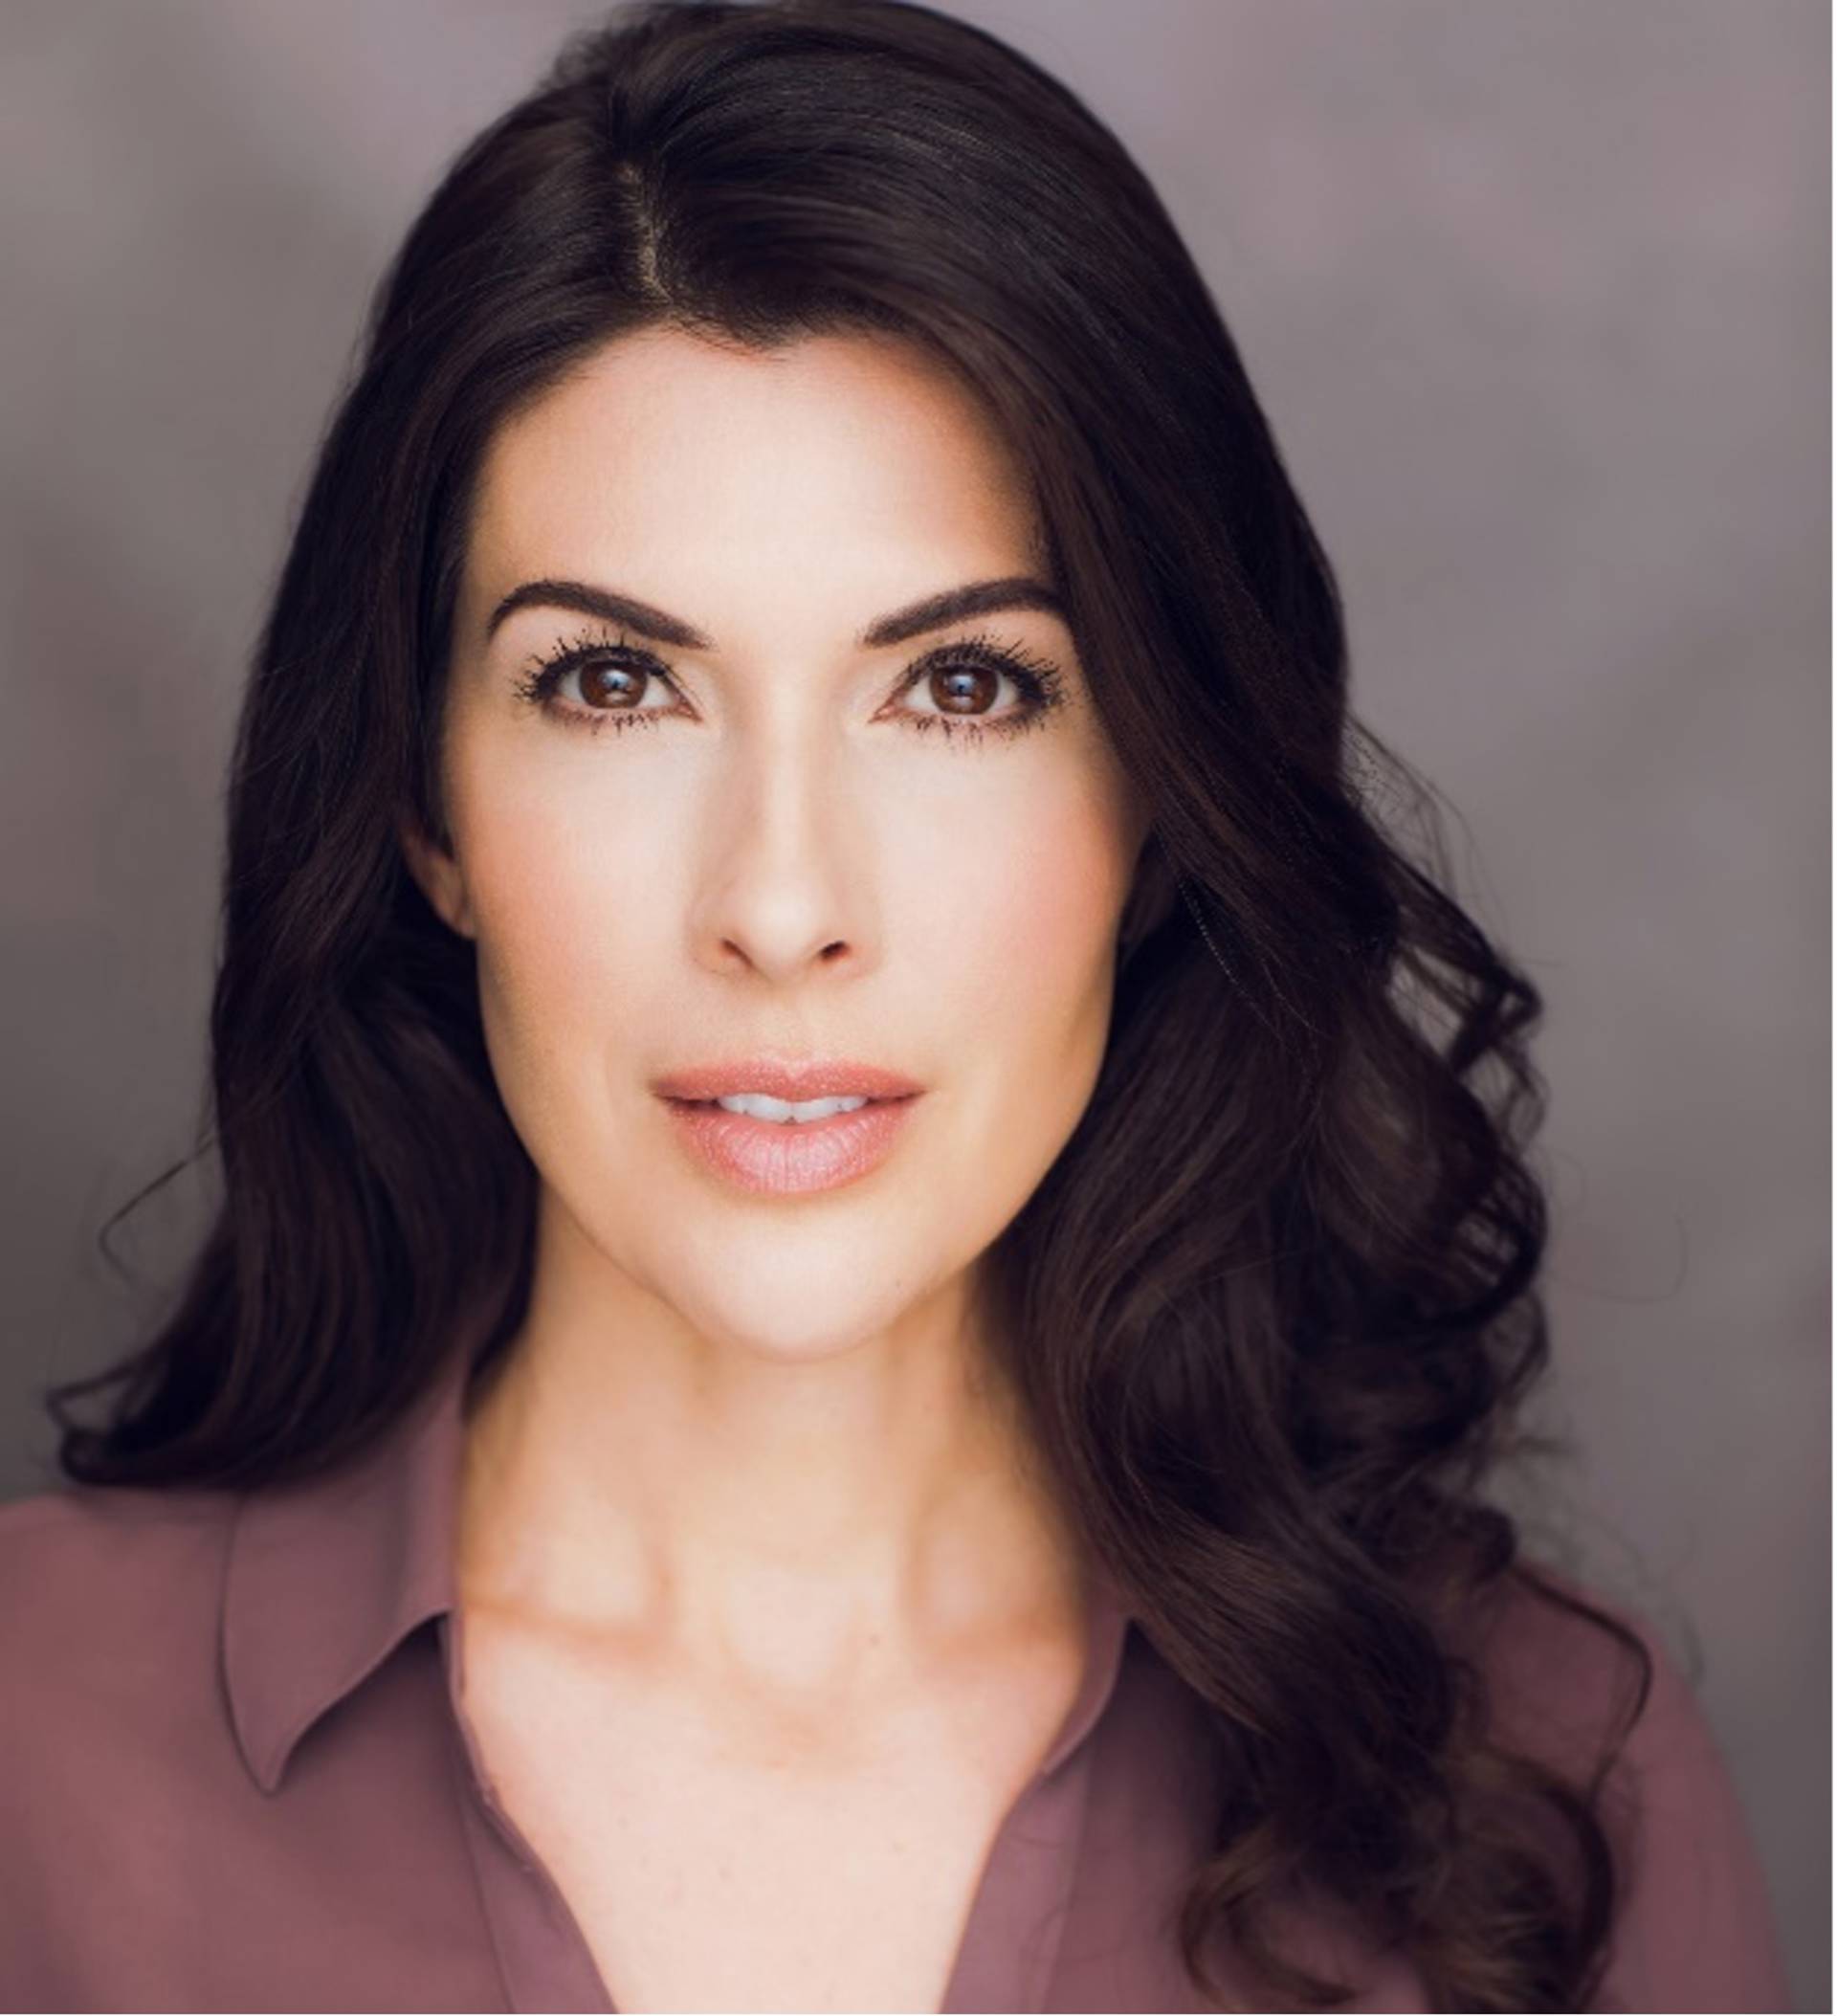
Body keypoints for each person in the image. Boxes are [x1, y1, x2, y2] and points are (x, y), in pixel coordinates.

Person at [0, 2, 1791, 2010]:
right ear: (429, 805)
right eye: (614, 684)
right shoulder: (29, 1757)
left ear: (1158, 802)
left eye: (961, 689)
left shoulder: (1545, 1788)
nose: (782, 903)